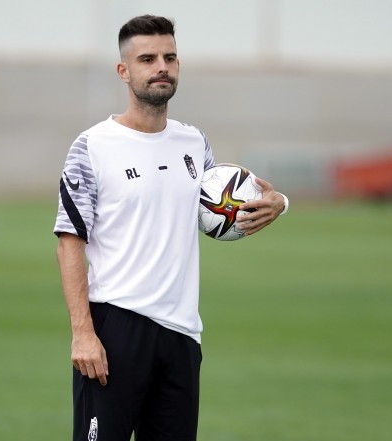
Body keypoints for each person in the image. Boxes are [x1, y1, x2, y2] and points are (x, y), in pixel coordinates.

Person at [54, 14, 289, 441]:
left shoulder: (193, 143)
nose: (161, 66)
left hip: (182, 334)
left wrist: (278, 203)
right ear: (124, 71)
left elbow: (222, 203)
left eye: (170, 57)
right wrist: (82, 333)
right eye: (147, 58)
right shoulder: (91, 147)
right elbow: (70, 242)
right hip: (115, 328)